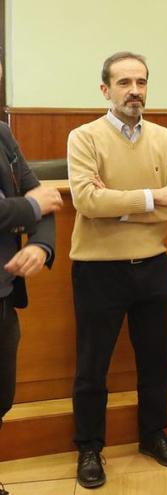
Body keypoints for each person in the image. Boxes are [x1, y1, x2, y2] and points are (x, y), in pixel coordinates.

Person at [68, 51, 167, 488]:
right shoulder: (83, 137)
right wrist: (151, 198)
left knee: (157, 361)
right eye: (124, 83)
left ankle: (153, 435)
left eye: (141, 82)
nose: (134, 90)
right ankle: (89, 447)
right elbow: (86, 201)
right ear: (105, 89)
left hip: (154, 266)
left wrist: (120, 207)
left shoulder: (165, 137)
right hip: (98, 270)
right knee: (92, 364)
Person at [0, 57, 59, 446]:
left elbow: (45, 194)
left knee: (2, 397)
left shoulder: (2, 134)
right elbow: (35, 201)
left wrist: (40, 244)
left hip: (4, 297)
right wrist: (33, 206)